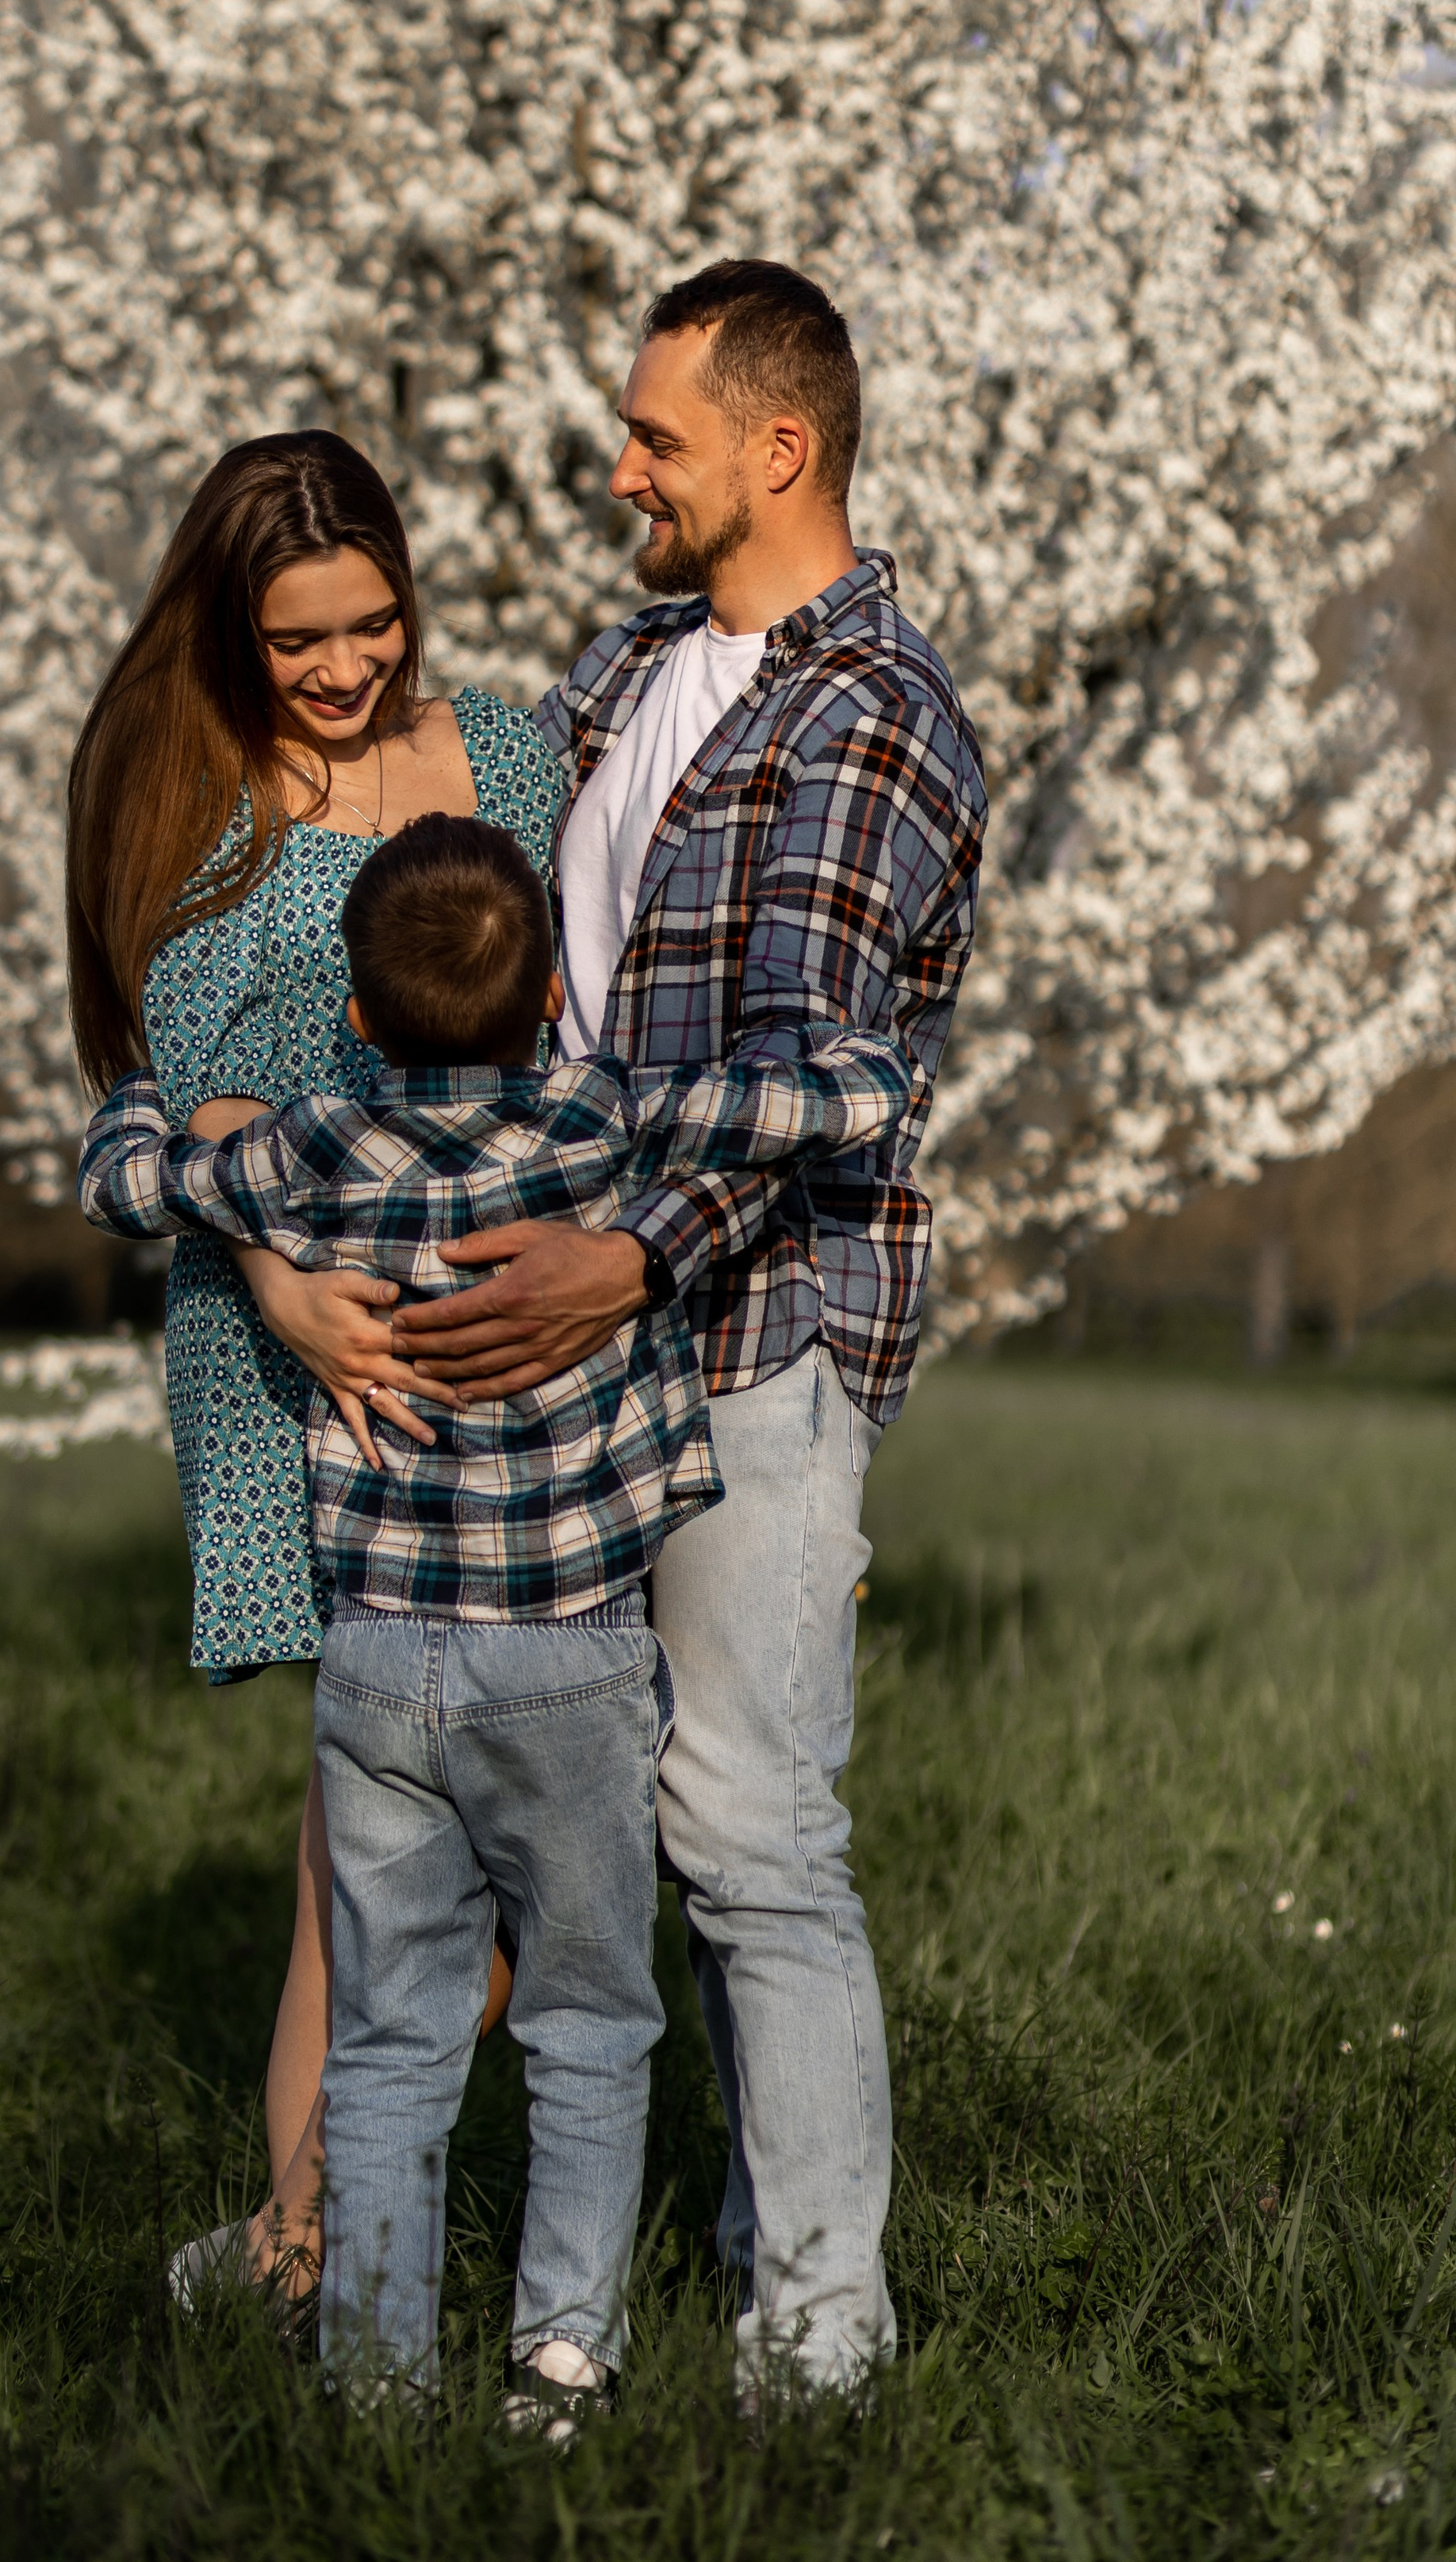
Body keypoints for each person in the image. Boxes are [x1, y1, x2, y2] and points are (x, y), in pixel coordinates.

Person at [79, 813, 917, 2418]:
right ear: (549, 1001)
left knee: (392, 2035)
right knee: (591, 2023)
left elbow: (127, 1177)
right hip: (570, 1665)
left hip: (381, 1658)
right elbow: (840, 1097)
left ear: (354, 1015)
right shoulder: (597, 1121)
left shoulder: (314, 1149)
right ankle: (559, 2357)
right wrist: (854, 1066)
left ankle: (377, 2383)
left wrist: (143, 1090)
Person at [391, 263, 989, 2398]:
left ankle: (817, 2339)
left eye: (654, 434)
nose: (618, 465)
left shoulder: (875, 717)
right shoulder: (629, 663)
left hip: (753, 1337)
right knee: (506, 1797)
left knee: (745, 1825)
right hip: (571, 1331)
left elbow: (816, 1057)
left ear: (779, 447)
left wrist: (627, 1255)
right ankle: (347, 2235)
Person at [63, 431, 563, 2301]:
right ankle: (311, 2249)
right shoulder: (205, 803)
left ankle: (312, 2232)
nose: (345, 667)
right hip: (310, 1354)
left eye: (371, 621)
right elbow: (174, 1095)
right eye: (297, 641)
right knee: (355, 1839)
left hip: (507, 1326)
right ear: (231, 631)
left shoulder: (508, 758)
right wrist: (273, 1287)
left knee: (552, 1790)